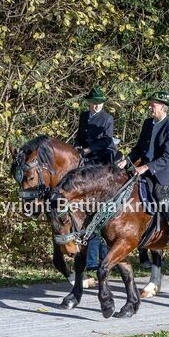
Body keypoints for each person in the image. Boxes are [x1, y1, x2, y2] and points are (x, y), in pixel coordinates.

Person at [118, 91, 169, 246]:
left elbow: (168, 157)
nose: (150, 107)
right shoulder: (148, 123)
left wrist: (146, 167)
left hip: (165, 169)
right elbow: (139, 149)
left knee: (159, 192)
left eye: (153, 104)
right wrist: (126, 161)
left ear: (162, 107)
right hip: (145, 167)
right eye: (150, 104)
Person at [74, 88, 117, 284]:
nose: (96, 105)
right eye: (93, 102)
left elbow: (107, 141)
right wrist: (77, 149)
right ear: (89, 103)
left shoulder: (107, 119)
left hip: (101, 159)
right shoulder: (84, 116)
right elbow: (79, 137)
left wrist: (89, 149)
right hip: (85, 158)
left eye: (98, 102)